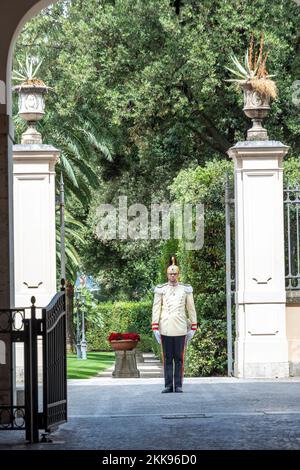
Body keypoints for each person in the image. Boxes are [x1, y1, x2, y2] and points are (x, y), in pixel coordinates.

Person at [151, 256, 197, 393]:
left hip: (180, 328)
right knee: (167, 358)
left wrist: (193, 326)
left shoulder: (185, 289)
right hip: (165, 327)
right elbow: (156, 308)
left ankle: (178, 385)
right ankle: (168, 385)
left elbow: (191, 308)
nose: (172, 276)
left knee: (179, 358)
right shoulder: (161, 289)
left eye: (175, 274)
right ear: (167, 275)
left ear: (178, 274)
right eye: (170, 274)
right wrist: (155, 327)